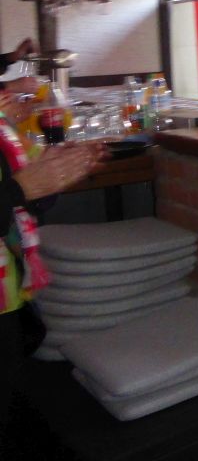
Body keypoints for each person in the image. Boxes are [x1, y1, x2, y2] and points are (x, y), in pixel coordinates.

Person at [0, 90, 103, 449]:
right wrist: (20, 189)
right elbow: (17, 190)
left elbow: (28, 194)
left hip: (8, 292)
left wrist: (57, 170)